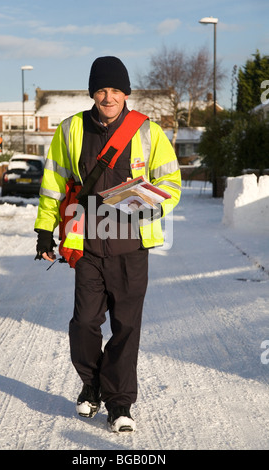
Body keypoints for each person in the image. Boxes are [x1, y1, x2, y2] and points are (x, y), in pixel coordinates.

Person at [34, 56, 181, 433]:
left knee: (126, 327)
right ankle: (91, 384)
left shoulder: (149, 132)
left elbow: (171, 186)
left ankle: (119, 404)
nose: (108, 96)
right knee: (84, 323)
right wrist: (44, 230)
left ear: (126, 93)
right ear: (92, 93)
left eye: (115, 89)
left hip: (131, 246)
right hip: (87, 244)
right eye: (101, 90)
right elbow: (53, 183)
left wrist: (140, 202)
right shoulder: (70, 131)